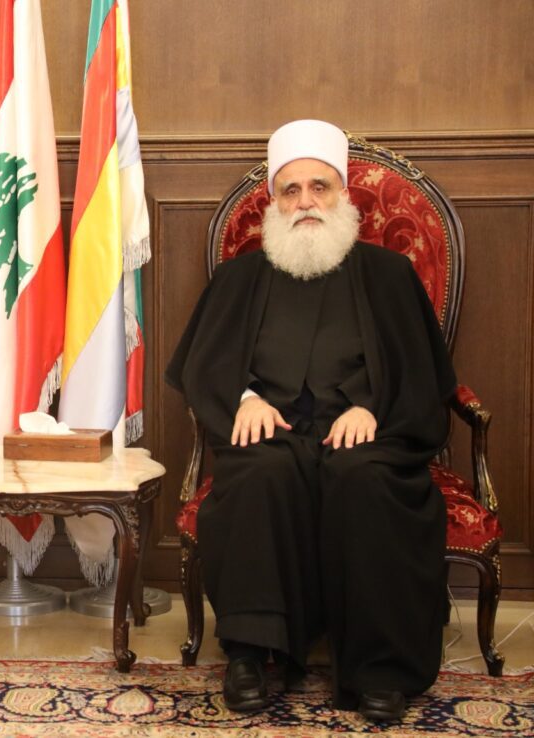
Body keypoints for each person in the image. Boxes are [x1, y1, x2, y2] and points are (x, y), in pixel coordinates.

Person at [165, 120, 455, 722]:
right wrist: (245, 397)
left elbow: (420, 372)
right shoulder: (241, 278)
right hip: (272, 435)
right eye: (290, 190)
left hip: (367, 435)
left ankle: (380, 669)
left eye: (319, 187)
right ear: (272, 203)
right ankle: (249, 654)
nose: (305, 202)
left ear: (344, 194)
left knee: (365, 478)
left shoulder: (389, 274)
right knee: (258, 474)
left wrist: (371, 407)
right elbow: (205, 364)